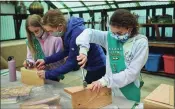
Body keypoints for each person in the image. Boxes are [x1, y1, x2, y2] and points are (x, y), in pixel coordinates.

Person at [76, 9, 148, 107]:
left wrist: (105, 81)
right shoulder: (109, 37)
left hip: (129, 89)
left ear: (130, 28)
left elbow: (132, 73)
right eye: (113, 32)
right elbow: (89, 32)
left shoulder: (140, 42)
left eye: (119, 33)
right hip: (110, 88)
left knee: (129, 106)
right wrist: (83, 50)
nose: (115, 36)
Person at [35, 9, 106, 84]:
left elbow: (71, 63)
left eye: (50, 31)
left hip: (98, 65)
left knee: (93, 90)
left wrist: (47, 74)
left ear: (59, 26)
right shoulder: (67, 30)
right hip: (91, 64)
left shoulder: (76, 33)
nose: (49, 33)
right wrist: (45, 60)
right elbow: (66, 51)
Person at [23, 14, 65, 80]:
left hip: (53, 74)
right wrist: (29, 62)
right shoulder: (30, 40)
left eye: (36, 31)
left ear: (42, 26)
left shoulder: (55, 37)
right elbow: (30, 57)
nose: (34, 34)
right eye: (31, 32)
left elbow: (60, 61)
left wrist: (46, 65)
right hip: (38, 74)